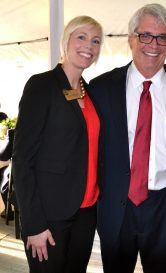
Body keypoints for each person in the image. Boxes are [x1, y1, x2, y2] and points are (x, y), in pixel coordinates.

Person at [89, 3, 166, 273]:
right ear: (130, 38)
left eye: (162, 37)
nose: (154, 44)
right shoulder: (101, 88)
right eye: (145, 35)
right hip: (118, 204)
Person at [12, 16, 102, 273]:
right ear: (66, 41)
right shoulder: (42, 86)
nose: (89, 45)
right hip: (49, 216)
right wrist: (34, 224)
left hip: (86, 212)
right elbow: (22, 159)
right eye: (81, 37)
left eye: (95, 41)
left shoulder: (90, 92)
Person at [0, 111, 14, 220]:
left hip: (7, 160)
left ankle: (5, 209)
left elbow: (4, 155)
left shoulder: (11, 131)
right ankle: (6, 209)